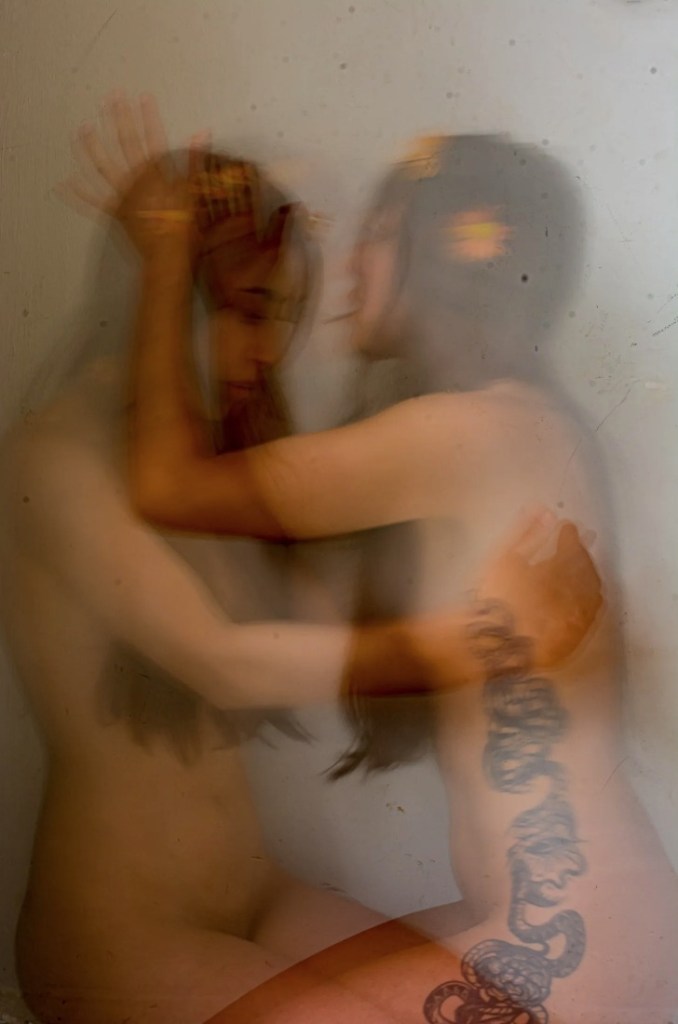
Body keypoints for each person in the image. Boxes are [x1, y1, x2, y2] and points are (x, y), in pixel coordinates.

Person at [0, 96, 600, 1024]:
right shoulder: (53, 457)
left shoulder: (206, 473)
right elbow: (220, 662)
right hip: (121, 932)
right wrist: (488, 641)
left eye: (287, 314)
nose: (271, 347)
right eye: (251, 310)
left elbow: (319, 618)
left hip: (256, 893)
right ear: (164, 294)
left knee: (502, 1009)